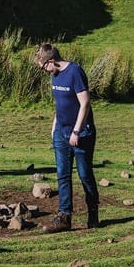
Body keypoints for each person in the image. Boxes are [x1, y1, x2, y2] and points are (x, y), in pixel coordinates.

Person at [34, 43, 99, 232]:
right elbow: (61, 103)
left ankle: (93, 212)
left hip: (81, 134)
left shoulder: (75, 72)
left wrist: (76, 131)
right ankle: (64, 217)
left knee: (85, 175)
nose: (44, 71)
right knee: (63, 175)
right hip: (61, 133)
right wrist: (55, 125)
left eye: (44, 67)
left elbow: (85, 103)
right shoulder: (55, 76)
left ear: (52, 61)